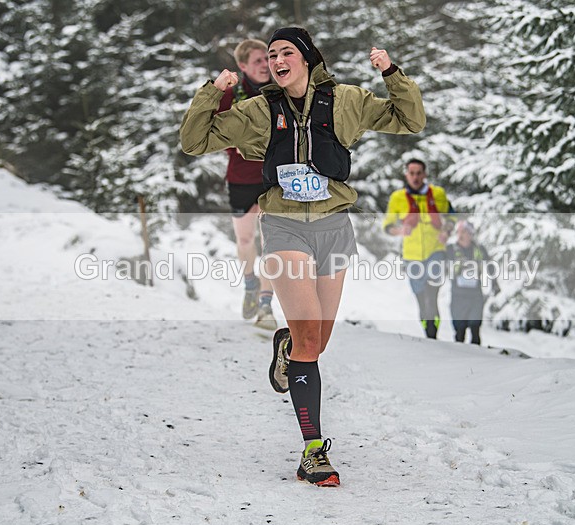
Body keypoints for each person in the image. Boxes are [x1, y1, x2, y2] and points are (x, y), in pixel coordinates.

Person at [181, 27, 425, 486]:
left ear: (308, 58)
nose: (276, 60)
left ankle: (286, 347)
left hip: (334, 228)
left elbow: (409, 119)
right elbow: (195, 141)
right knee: (311, 341)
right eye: (271, 54)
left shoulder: (347, 100)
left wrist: (391, 72)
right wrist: (213, 92)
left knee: (314, 345)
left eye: (286, 52)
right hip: (284, 225)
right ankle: (313, 451)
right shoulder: (257, 111)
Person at [217, 39, 276, 329]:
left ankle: (266, 304)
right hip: (241, 178)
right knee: (245, 240)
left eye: (267, 58)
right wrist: (243, 147)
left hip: (274, 176)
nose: (265, 65)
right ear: (242, 66)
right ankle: (250, 283)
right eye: (257, 61)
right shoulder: (232, 93)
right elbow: (221, 133)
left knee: (272, 242)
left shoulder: (279, 87)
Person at [382, 159, 454, 339]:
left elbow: (452, 217)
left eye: (419, 173)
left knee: (432, 294)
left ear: (425, 174)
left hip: (436, 251)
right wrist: (399, 230)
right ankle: (427, 331)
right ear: (406, 174)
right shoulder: (398, 198)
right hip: (411, 255)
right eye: (411, 173)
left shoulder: (438, 194)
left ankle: (432, 335)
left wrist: (446, 231)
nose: (415, 177)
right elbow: (388, 226)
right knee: (422, 300)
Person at [446, 220, 499, 345]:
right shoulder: (450, 249)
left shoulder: (479, 249)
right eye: (458, 232)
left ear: (471, 234)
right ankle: (459, 359)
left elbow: (490, 265)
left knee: (475, 329)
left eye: (464, 232)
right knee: (459, 331)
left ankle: (477, 360)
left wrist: (494, 283)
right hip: (458, 295)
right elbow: (438, 264)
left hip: (475, 295)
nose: (460, 235)